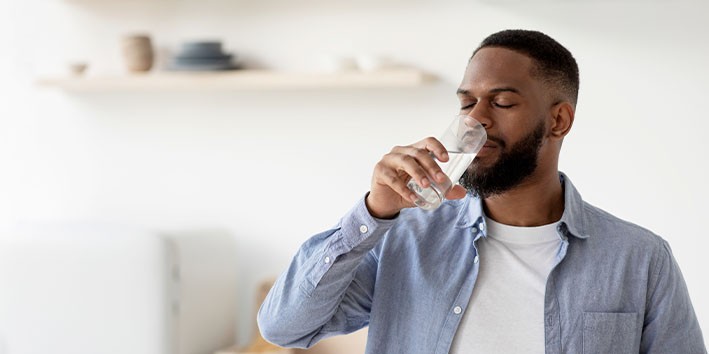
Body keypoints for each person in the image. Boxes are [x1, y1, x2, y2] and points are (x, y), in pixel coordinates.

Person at [257, 29, 706, 354]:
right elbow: (285, 328)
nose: (477, 119)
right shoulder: (404, 238)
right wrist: (374, 213)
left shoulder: (639, 258)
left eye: (503, 102)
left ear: (559, 120)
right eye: (466, 103)